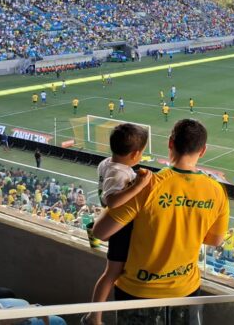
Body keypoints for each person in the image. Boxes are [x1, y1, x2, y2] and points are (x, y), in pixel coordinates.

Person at [92, 119, 230, 323]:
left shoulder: (144, 185)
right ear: (202, 151)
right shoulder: (217, 191)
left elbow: (100, 232)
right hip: (186, 290)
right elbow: (215, 240)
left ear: (170, 143)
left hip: (138, 292)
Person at [83, 124, 151, 325]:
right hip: (121, 228)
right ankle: (94, 316)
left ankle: (94, 315)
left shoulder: (107, 163)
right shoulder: (119, 173)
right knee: (112, 273)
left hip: (118, 224)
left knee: (112, 272)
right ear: (136, 153)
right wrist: (138, 186)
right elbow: (111, 201)